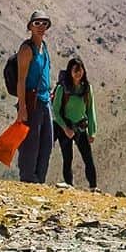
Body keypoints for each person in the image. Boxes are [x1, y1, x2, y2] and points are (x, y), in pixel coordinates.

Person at [14, 11, 56, 184]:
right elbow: (21, 80)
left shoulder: (43, 47)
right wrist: (22, 107)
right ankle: (27, 177)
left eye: (44, 24)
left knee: (47, 142)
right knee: (31, 142)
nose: (41, 27)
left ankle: (39, 178)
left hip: (45, 100)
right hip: (32, 101)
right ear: (30, 26)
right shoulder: (27, 49)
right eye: (37, 23)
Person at [52, 56, 98, 190]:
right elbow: (55, 110)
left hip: (81, 127)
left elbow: (90, 110)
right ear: (69, 72)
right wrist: (65, 128)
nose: (78, 73)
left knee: (88, 158)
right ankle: (69, 185)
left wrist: (92, 131)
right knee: (68, 158)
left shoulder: (87, 89)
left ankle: (93, 187)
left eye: (80, 69)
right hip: (65, 128)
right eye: (75, 70)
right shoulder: (62, 89)